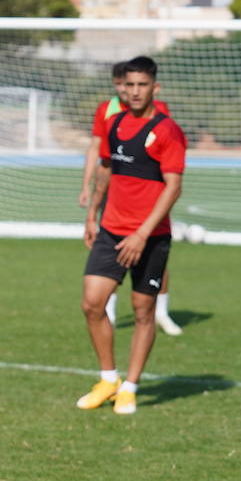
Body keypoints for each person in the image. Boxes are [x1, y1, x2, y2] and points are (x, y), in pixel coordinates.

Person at [76, 55, 184, 416]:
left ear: (155, 88)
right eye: (129, 85)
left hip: (150, 237)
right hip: (111, 230)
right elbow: (106, 169)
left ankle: (131, 387)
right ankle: (108, 378)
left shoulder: (167, 131)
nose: (134, 92)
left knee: (142, 311)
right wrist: (93, 213)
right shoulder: (115, 122)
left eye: (142, 85)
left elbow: (173, 188)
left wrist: (142, 234)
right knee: (93, 303)